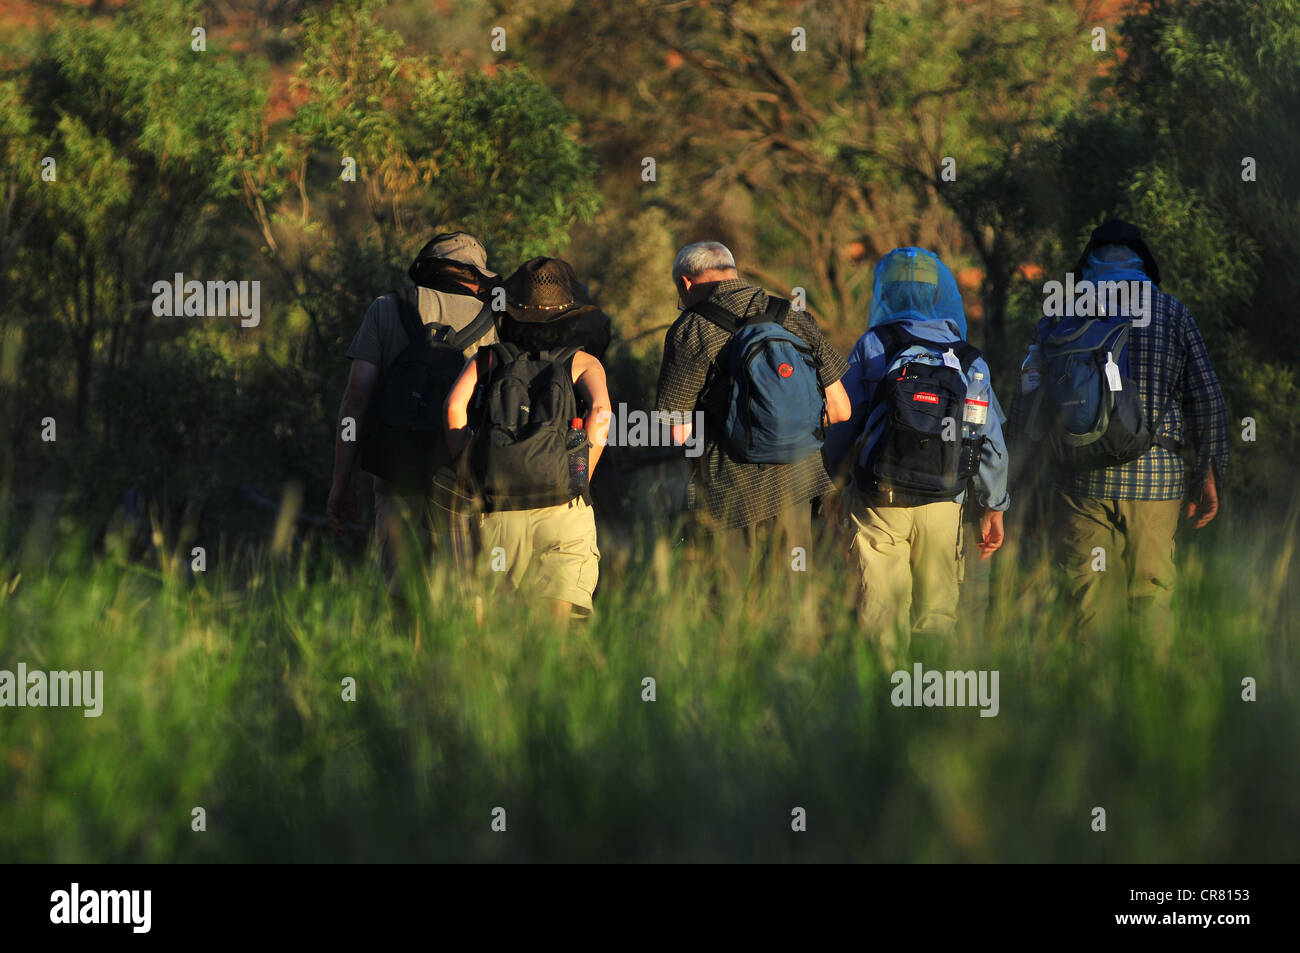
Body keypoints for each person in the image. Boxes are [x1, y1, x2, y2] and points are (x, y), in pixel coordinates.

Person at [1009, 220, 1229, 656]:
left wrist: (1021, 493)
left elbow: (1028, 403)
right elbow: (1206, 399)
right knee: (1151, 597)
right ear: (1144, 262)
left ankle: (1094, 710)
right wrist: (1208, 472)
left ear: (1087, 263)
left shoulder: (1060, 313)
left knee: (1086, 604)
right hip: (1156, 484)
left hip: (1079, 483)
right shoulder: (1171, 312)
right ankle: (1146, 709)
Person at [824, 247, 1010, 663]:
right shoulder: (970, 360)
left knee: (880, 613)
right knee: (937, 613)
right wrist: (995, 505)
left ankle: (884, 709)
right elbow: (989, 440)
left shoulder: (874, 344)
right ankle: (928, 710)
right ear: (940, 293)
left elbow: (842, 422)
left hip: (878, 499)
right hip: (945, 500)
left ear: (886, 291)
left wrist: (830, 485)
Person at [653, 241, 852, 582]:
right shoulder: (793, 313)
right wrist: (787, 428)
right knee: (789, 598)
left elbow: (675, 428)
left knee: (729, 607)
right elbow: (841, 409)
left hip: (727, 494)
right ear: (733, 270)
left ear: (686, 284)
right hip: (797, 484)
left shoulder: (690, 330)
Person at [327, 232, 498, 590]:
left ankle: (406, 646)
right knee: (465, 593)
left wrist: (340, 483)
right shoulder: (495, 321)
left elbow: (354, 400)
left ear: (426, 267)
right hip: (461, 479)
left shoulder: (385, 308)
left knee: (401, 594)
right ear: (476, 277)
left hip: (396, 472)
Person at [445, 257, 612, 623]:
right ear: (570, 316)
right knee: (557, 631)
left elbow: (454, 407)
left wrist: (466, 466)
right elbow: (601, 412)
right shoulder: (584, 362)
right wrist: (579, 474)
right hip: (562, 510)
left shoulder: (487, 359)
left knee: (500, 626)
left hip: (498, 512)